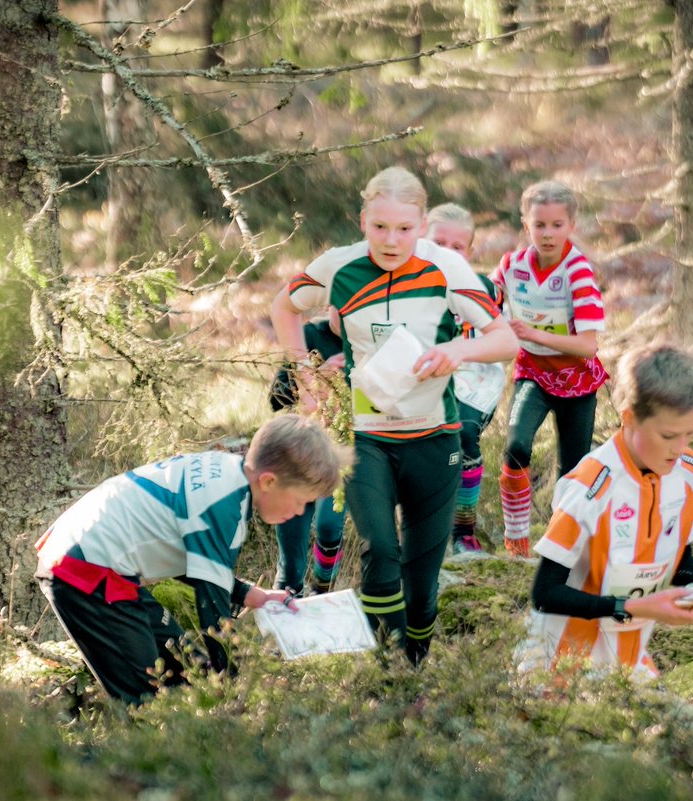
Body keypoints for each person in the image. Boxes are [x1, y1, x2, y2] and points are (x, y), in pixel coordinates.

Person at [270, 166, 517, 664]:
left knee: (421, 584)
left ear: (422, 225)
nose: (391, 239)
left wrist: (457, 351)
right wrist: (305, 372)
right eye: (380, 226)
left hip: (435, 439)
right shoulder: (340, 266)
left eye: (404, 228)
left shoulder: (446, 267)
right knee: (380, 552)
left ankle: (413, 668)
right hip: (366, 438)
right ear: (363, 220)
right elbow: (284, 307)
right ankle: (387, 670)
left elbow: (505, 340)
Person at [35, 414, 352, 705]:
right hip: (86, 571)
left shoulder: (228, 475)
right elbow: (213, 612)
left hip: (98, 562)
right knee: (149, 700)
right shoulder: (225, 505)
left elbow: (198, 566)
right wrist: (236, 687)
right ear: (269, 481)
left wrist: (252, 595)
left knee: (186, 669)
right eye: (300, 501)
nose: (299, 512)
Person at [513, 343, 693, 680]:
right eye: (668, 435)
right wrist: (629, 608)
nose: (680, 448)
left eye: (690, 434)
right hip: (562, 670)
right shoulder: (591, 484)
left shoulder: (688, 473)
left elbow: (678, 561)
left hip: (629, 665)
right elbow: (545, 593)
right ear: (629, 417)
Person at [492, 181, 609, 558]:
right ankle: (516, 542)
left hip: (578, 382)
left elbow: (588, 346)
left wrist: (533, 333)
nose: (547, 234)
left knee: (572, 472)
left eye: (557, 225)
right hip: (533, 373)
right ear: (525, 224)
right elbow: (485, 302)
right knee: (516, 447)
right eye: (539, 225)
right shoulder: (511, 265)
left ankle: (562, 548)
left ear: (571, 225)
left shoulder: (578, 272)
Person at [425, 202, 507, 555]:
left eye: (457, 247)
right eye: (439, 243)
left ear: (470, 252)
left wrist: (463, 350)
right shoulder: (406, 286)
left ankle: (464, 531)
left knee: (464, 433)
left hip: (475, 378)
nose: (447, 253)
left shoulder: (484, 289)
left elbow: (503, 344)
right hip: (424, 375)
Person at [268, 312, 348, 594]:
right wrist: (315, 377)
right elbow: (277, 399)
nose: (346, 314)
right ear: (328, 303)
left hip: (342, 449)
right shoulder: (309, 335)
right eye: (340, 306)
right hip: (302, 447)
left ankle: (322, 589)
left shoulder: (366, 339)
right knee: (291, 552)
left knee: (328, 527)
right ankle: (287, 594)